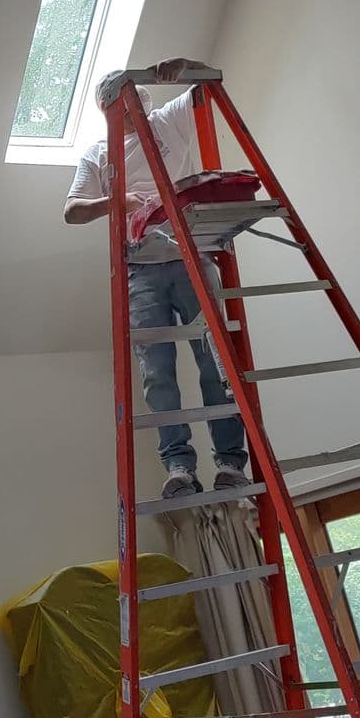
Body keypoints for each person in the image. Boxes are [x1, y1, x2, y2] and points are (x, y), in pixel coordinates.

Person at [64, 57, 249, 499]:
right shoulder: (99, 153)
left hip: (191, 255)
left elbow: (208, 84)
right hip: (141, 267)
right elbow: (72, 211)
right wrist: (118, 200)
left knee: (215, 362)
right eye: (123, 104)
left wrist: (186, 66)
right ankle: (179, 466)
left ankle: (229, 462)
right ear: (108, 107)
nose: (133, 109)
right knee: (158, 373)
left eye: (137, 101)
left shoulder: (166, 122)